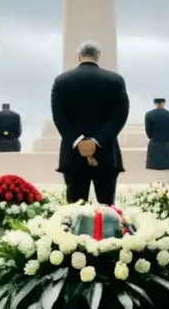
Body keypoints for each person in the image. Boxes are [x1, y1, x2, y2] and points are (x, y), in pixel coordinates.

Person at [51, 40, 130, 205]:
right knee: (107, 208)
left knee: (75, 210)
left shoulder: (61, 81)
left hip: (73, 155)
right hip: (106, 153)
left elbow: (59, 117)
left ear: (79, 56)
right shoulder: (115, 80)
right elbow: (120, 116)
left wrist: (79, 141)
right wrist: (97, 141)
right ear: (98, 56)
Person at [144, 98, 169, 171]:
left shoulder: (149, 115)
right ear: (164, 103)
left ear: (155, 104)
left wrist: (150, 136)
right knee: (168, 168)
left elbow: (148, 132)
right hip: (167, 144)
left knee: (153, 168)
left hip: (154, 143)